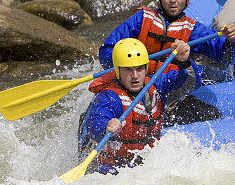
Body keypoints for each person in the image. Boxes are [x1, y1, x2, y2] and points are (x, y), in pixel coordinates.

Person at [99, 0, 235, 124]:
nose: (173, 0)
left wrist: (229, 41)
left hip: (170, 89)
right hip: (131, 83)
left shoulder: (192, 29)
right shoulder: (141, 20)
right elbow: (107, 52)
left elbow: (224, 56)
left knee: (211, 113)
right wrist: (133, 64)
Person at [78, 38, 191, 174]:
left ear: (146, 68)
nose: (135, 76)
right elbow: (94, 124)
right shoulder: (110, 97)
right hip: (113, 166)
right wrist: (106, 127)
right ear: (118, 71)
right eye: (128, 70)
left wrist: (183, 61)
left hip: (148, 160)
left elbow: (180, 78)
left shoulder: (155, 84)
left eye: (139, 69)